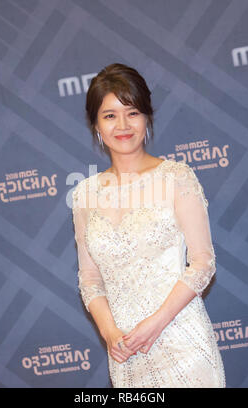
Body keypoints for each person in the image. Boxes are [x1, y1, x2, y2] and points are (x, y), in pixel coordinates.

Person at [71, 63, 226, 388]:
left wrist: (156, 324)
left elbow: (202, 262)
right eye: (110, 115)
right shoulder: (85, 194)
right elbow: (89, 278)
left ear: (147, 118)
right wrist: (110, 333)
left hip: (182, 342)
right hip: (126, 354)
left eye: (132, 112)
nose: (123, 125)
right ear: (96, 125)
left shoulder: (176, 178)